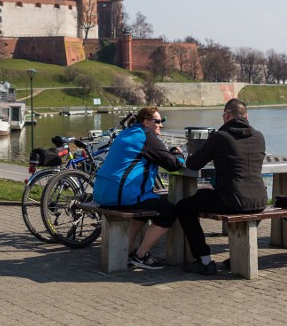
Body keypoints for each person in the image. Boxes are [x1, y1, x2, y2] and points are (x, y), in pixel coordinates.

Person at [176, 98, 267, 276]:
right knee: (218, 199)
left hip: (231, 200)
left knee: (184, 207)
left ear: (226, 115)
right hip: (259, 200)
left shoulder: (220, 137)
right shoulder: (259, 136)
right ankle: (239, 256)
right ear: (246, 116)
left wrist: (186, 154)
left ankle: (204, 260)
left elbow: (194, 164)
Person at [93, 107, 186, 270]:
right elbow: (172, 165)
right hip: (120, 195)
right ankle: (141, 255)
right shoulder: (145, 136)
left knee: (146, 206)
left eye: (162, 122)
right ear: (146, 122)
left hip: (103, 193)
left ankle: (126, 252)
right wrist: (179, 155)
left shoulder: (127, 132)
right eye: (157, 122)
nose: (161, 125)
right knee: (169, 211)